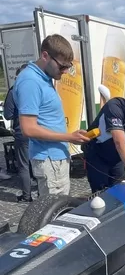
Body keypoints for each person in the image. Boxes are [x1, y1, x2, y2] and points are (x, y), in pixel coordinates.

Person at [13, 34, 90, 197]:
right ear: (45, 55)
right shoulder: (30, 81)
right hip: (49, 159)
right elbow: (28, 128)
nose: (66, 71)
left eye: (68, 66)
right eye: (62, 66)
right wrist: (69, 137)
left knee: (60, 211)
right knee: (54, 215)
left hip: (55, 158)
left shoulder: (43, 78)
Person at [3, 63, 34, 201]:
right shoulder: (37, 89)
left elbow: (8, 115)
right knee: (38, 162)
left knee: (23, 165)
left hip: (22, 131)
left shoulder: (14, 90)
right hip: (39, 130)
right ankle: (43, 194)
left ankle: (27, 196)